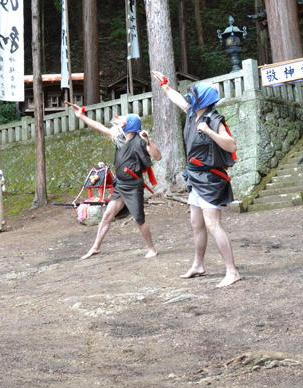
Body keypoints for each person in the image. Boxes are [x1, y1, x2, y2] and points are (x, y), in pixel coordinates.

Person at [153, 72, 242, 287]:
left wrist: (210, 132)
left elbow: (231, 145)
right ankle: (198, 265)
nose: (190, 98)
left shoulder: (214, 119)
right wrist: (165, 86)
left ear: (203, 100)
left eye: (194, 96)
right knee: (196, 223)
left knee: (212, 224)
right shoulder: (192, 113)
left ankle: (232, 271)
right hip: (194, 176)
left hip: (211, 178)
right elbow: (178, 99)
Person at [69, 107, 162, 260]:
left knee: (139, 219)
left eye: (123, 122)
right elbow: (99, 127)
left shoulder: (140, 141)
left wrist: (149, 140)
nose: (120, 124)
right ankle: (96, 247)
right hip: (120, 185)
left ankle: (152, 249)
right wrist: (81, 116)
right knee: (106, 216)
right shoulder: (119, 138)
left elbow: (157, 157)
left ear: (129, 126)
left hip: (133, 186)